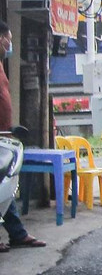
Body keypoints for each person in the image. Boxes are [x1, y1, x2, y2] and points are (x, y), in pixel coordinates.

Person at [0, 21, 45, 251]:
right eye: (8, 40)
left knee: (5, 186)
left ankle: (17, 233)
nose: (10, 45)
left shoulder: (1, 64)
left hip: (4, 136)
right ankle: (18, 233)